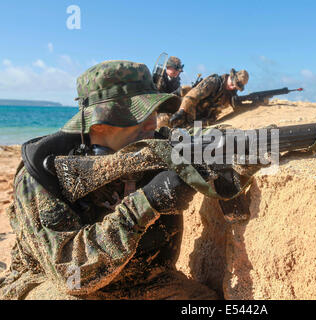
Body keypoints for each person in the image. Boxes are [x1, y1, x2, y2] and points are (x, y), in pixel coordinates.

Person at [0, 60, 218, 300]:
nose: (151, 122)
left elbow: (210, 140)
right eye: (136, 114)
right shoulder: (43, 175)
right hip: (50, 283)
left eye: (154, 111)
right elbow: (71, 275)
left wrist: (232, 154)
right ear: (99, 124)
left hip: (143, 281)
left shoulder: (162, 148)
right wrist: (148, 202)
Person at [169, 68, 249, 128]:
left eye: (236, 87)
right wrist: (181, 111)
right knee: (164, 122)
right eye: (232, 84)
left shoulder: (230, 94)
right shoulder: (213, 82)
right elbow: (191, 97)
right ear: (230, 77)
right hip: (184, 110)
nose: (232, 87)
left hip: (198, 121)